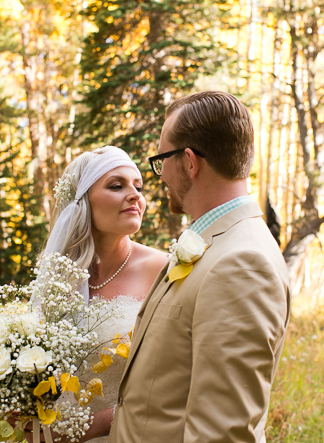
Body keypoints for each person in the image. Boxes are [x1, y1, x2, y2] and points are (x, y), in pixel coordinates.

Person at [109, 91, 291, 443]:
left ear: (190, 162)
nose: (159, 175)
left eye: (161, 159)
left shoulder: (242, 265)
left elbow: (223, 434)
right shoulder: (216, 245)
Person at [28, 146, 168, 442]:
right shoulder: (58, 276)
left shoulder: (162, 270)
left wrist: (98, 424)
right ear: (82, 202)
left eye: (138, 187)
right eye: (117, 186)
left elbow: (174, 374)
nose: (135, 195)